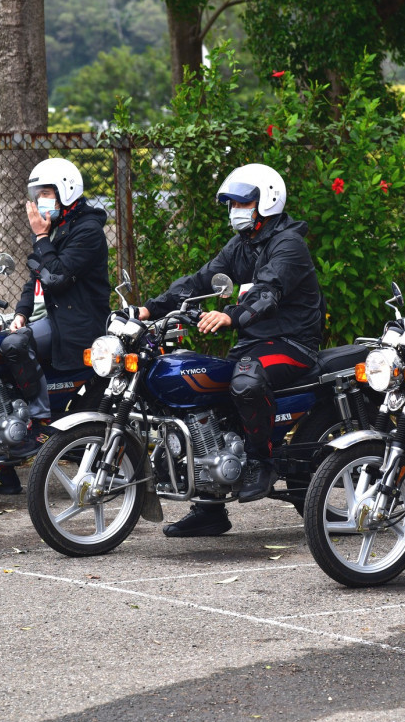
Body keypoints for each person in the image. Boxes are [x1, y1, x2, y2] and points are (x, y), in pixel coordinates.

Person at [135, 163, 324, 537]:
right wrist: (150, 309)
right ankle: (209, 508)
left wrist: (232, 317)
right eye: (232, 203)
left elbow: (268, 292)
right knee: (204, 398)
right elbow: (201, 280)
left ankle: (260, 460)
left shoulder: (289, 244)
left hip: (292, 342)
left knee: (245, 382)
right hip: (254, 343)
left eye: (242, 202)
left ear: (266, 201)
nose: (235, 209)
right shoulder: (243, 244)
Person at [0, 158, 112, 495]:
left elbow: (56, 277)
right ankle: (1, 472)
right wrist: (20, 312)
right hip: (50, 320)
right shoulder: (56, 227)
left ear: (67, 190)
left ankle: (38, 420)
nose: (41, 200)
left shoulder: (86, 231)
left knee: (14, 346)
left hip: (76, 325)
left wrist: (42, 239)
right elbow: (35, 278)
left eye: (47, 193)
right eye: (38, 194)